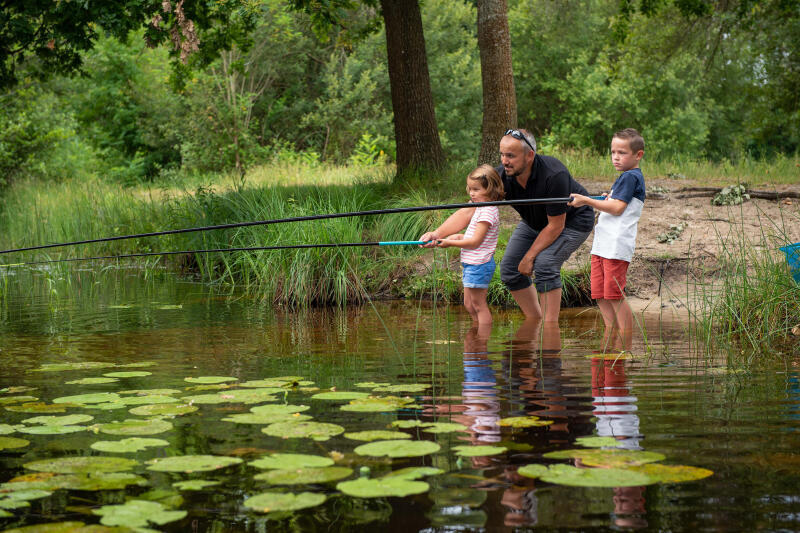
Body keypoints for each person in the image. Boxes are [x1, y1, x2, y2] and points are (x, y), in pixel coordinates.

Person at [422, 129, 594, 324]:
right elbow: (470, 211)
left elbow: (556, 226)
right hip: (534, 223)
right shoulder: (501, 177)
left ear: (530, 155)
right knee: (510, 270)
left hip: (571, 223)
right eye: (502, 154)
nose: (504, 161)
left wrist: (529, 257)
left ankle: (550, 328)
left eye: (511, 156)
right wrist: (436, 234)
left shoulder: (554, 174)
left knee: (544, 264)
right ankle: (534, 322)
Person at [569, 128, 645, 350]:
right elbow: (615, 200)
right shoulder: (624, 178)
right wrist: (604, 198)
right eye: (613, 152)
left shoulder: (632, 176)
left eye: (622, 152)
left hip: (616, 246)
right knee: (599, 292)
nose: (616, 157)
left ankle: (625, 342)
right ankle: (610, 335)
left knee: (614, 294)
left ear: (638, 155)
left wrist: (586, 200)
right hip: (603, 246)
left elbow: (617, 208)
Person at [433, 164, 504, 324]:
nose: (471, 193)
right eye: (470, 188)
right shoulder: (479, 207)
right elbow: (470, 236)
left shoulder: (487, 210)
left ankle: (481, 340)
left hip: (480, 264)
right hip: (472, 263)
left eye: (476, 189)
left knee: (478, 305)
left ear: (490, 189)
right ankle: (476, 334)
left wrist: (450, 243)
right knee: (469, 304)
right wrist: (454, 237)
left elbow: (474, 242)